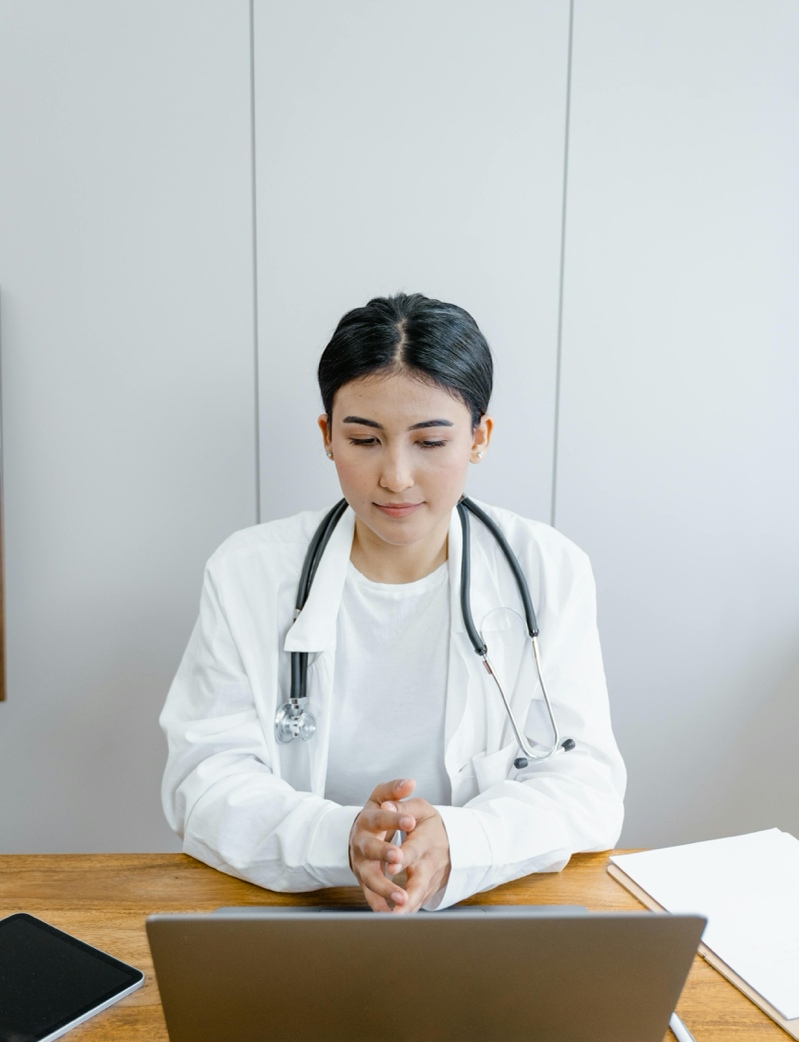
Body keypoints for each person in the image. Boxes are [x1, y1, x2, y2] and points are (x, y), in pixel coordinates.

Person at [160, 292, 625, 913]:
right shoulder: (248, 573)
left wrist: (460, 842)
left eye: (430, 442)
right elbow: (204, 781)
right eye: (364, 440)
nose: (396, 476)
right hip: (306, 913)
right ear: (328, 437)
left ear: (478, 439)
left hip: (488, 913)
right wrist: (339, 838)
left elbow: (586, 786)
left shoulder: (547, 570)